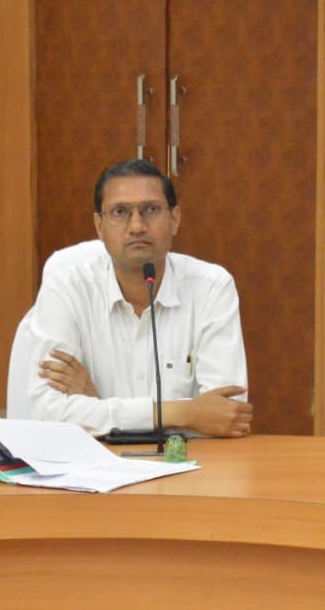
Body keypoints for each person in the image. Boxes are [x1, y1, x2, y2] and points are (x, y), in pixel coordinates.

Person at [25, 159, 253, 437]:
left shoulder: (211, 288)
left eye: (151, 210)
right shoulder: (65, 288)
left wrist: (98, 407)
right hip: (94, 462)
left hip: (188, 461)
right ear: (99, 226)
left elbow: (226, 415)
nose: (136, 226)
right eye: (120, 212)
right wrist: (185, 413)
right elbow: (45, 412)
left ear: (175, 219)